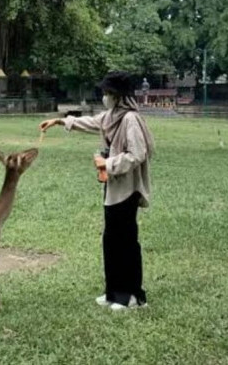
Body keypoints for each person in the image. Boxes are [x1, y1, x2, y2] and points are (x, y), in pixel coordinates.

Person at [39, 71, 154, 311]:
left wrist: (108, 164)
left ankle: (133, 296)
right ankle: (114, 292)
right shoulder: (112, 116)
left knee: (126, 241)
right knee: (111, 240)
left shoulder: (130, 119)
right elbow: (90, 122)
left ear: (118, 96)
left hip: (127, 188)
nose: (104, 97)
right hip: (113, 188)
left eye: (108, 93)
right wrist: (60, 121)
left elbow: (138, 153)